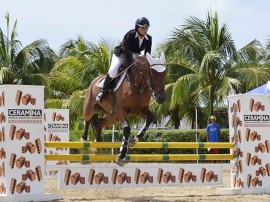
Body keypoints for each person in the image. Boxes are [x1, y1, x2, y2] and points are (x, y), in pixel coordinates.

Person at [96, 17, 152, 102]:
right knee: (113, 71)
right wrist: (132, 61)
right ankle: (103, 91)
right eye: (143, 28)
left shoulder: (149, 38)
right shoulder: (131, 34)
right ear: (137, 28)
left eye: (146, 28)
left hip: (135, 57)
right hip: (121, 55)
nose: (145, 30)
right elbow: (126, 49)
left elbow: (147, 53)